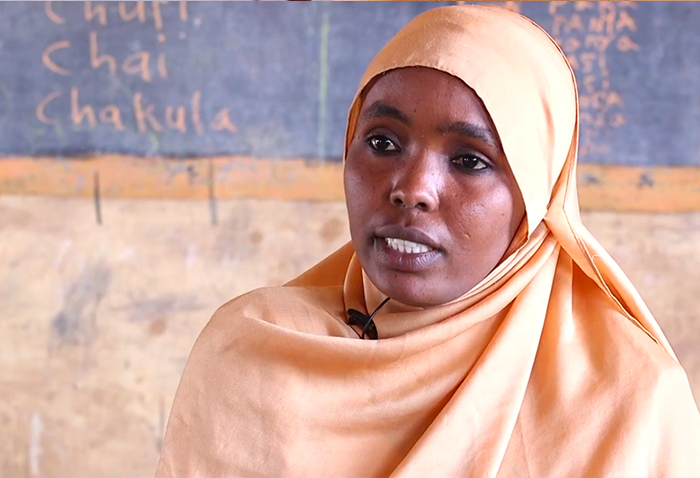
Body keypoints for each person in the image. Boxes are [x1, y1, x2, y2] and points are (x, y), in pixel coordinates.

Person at [156, 5, 700, 477]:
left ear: (537, 194)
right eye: (382, 142)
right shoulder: (256, 353)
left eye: (469, 160)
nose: (411, 190)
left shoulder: (629, 403)